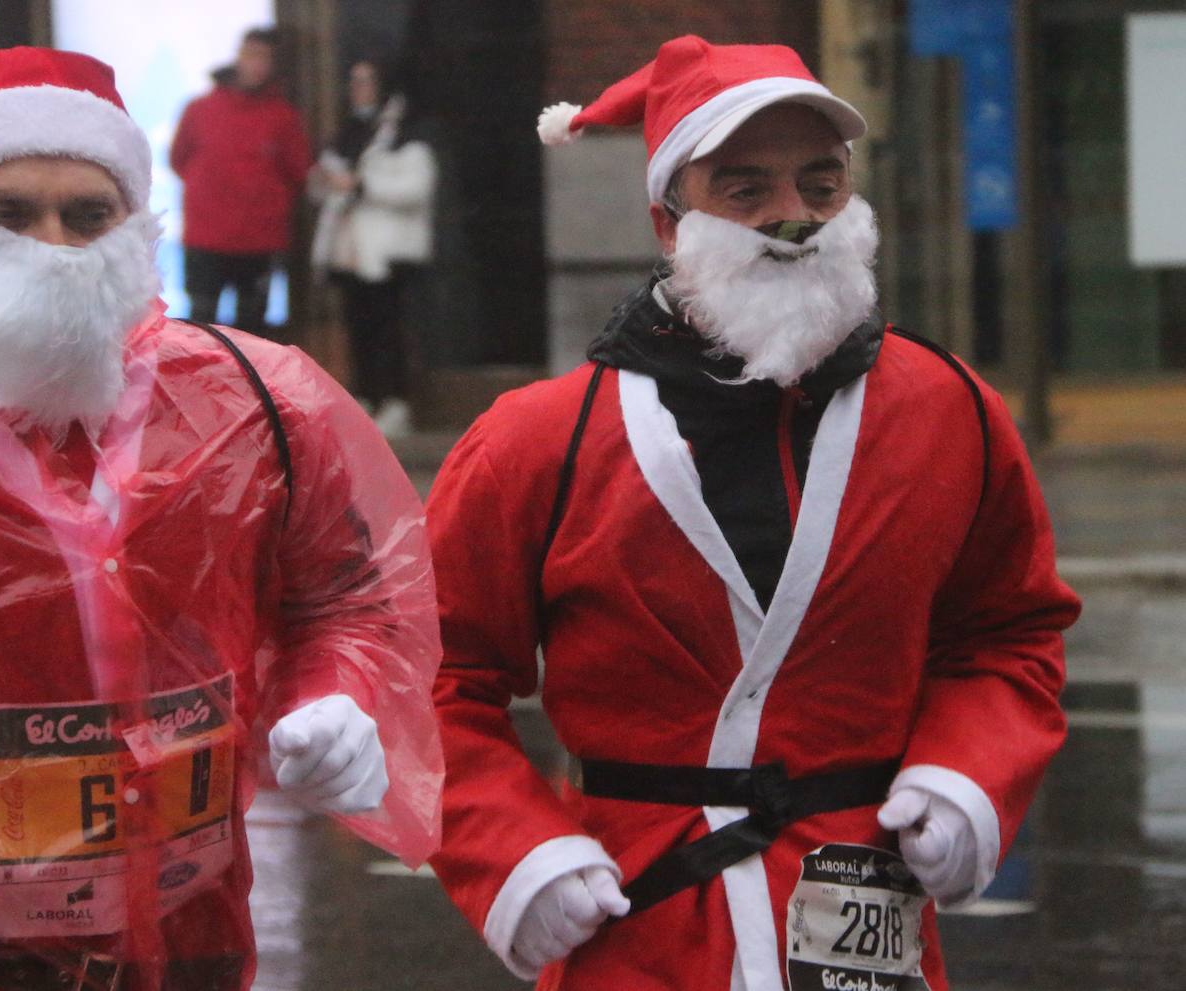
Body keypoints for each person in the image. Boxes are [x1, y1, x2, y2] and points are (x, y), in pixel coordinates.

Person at [425, 36, 1079, 991]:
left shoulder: (951, 411)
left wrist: (968, 777)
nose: (794, 219)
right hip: (637, 927)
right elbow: (430, 679)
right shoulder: (536, 443)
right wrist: (516, 853)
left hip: (865, 931)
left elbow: (1008, 633)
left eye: (821, 185)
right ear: (666, 220)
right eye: (745, 190)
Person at [0, 47, 442, 991]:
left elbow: (347, 596)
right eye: (11, 214)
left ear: (134, 225)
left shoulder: (257, 400)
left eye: (89, 214)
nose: (57, 245)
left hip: (190, 928)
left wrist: (338, 695)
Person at [309, 59, 437, 438]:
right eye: (354, 82)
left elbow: (416, 189)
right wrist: (328, 183)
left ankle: (395, 401)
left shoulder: (407, 137)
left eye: (366, 82)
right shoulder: (346, 135)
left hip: (389, 253)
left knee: (389, 330)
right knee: (359, 328)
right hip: (351, 252)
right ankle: (365, 396)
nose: (359, 89)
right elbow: (324, 187)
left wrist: (362, 187)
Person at [170, 27, 313, 337]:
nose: (257, 64)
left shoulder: (283, 117)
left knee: (251, 331)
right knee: (200, 327)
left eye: (266, 58)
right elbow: (178, 159)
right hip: (205, 238)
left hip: (259, 241)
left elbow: (298, 172)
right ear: (239, 57)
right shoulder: (200, 109)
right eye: (252, 55)